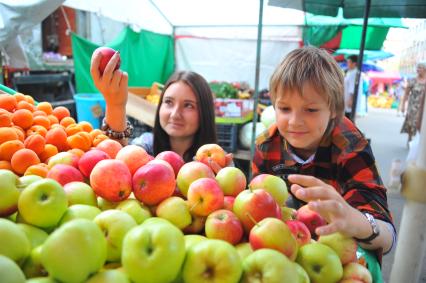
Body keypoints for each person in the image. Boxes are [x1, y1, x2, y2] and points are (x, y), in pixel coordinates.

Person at [252, 46, 395, 262]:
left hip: (340, 261)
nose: (294, 121)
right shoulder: (266, 146)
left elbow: (388, 237)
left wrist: (353, 219)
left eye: (310, 110)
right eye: (284, 108)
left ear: (334, 110)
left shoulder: (351, 147)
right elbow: (253, 212)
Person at [90, 50, 228, 165]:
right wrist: (115, 105)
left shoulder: (219, 162)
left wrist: (221, 184)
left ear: (205, 112)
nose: (174, 114)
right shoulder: (146, 145)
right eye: (168, 102)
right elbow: (118, 162)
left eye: (188, 105)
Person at [400, 61, 426, 145]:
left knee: (421, 124)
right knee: (411, 123)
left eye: (420, 68)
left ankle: (419, 141)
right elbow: (406, 94)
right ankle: (410, 138)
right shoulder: (413, 80)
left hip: (423, 108)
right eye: (417, 68)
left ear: (424, 69)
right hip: (413, 107)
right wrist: (403, 106)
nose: (418, 69)